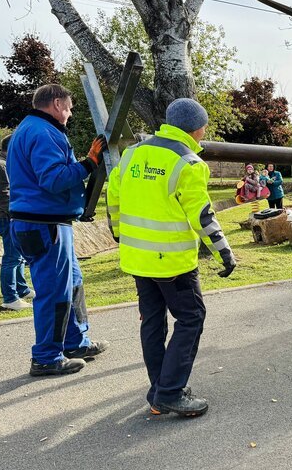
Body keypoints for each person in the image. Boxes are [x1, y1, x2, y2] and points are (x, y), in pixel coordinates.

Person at [107, 97, 237, 418]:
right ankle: (169, 392)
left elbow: (113, 198)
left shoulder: (132, 154)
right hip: (174, 263)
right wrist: (224, 252)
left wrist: (119, 235)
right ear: (198, 128)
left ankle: (158, 391)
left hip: (138, 259)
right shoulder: (188, 163)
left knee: (153, 322)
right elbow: (202, 215)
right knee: (191, 318)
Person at [7, 84, 109, 377]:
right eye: (69, 106)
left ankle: (76, 343)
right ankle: (46, 357)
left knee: (72, 283)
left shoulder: (33, 129)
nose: (71, 112)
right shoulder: (42, 132)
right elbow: (53, 179)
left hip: (44, 222)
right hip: (44, 224)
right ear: (56, 103)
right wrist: (89, 163)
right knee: (54, 292)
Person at [0, 134, 33, 311]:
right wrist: (17, 215)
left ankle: (22, 290)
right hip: (7, 218)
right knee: (12, 258)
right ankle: (10, 298)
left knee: (19, 257)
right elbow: (3, 195)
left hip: (13, 216)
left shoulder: (8, 164)